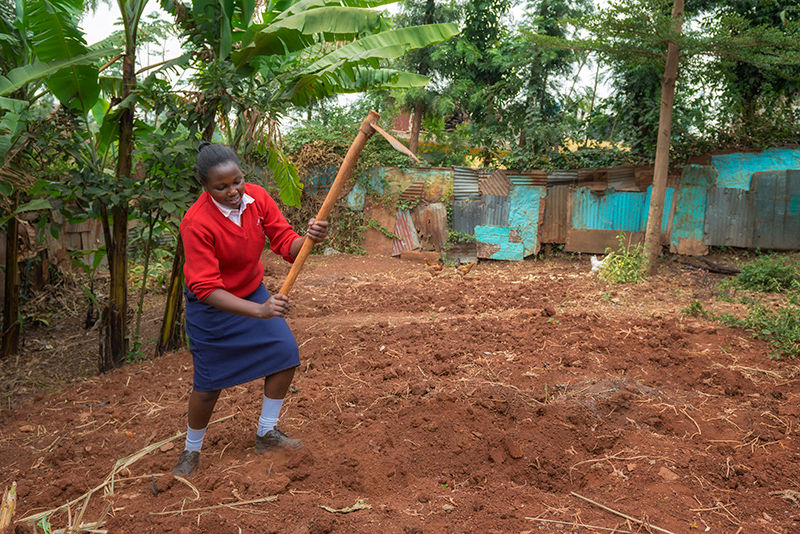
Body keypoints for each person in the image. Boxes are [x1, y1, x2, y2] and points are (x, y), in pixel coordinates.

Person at [172, 142, 328, 477]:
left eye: (237, 182)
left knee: (285, 354)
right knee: (208, 384)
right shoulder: (196, 222)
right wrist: (259, 311)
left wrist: (309, 238)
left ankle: (266, 433)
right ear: (205, 187)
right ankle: (191, 450)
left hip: (252, 292)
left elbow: (287, 243)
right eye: (221, 187)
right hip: (213, 307)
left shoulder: (257, 199)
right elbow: (205, 287)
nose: (233, 191)